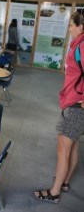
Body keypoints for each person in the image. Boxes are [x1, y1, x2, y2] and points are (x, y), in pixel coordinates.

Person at [33, 12, 84, 204]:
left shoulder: (82, 45)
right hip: (74, 101)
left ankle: (54, 192)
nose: (69, 28)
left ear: (81, 27)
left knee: (63, 149)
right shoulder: (77, 45)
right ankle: (64, 182)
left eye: (72, 25)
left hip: (76, 105)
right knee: (72, 146)